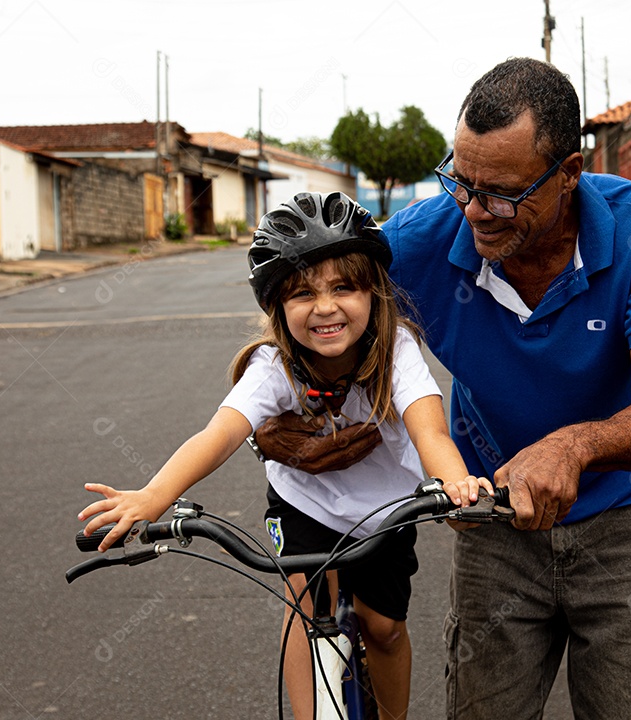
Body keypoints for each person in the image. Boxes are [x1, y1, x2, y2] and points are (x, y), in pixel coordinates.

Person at [253, 58, 631, 719]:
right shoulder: (418, 241)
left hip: (629, 521)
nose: (473, 211)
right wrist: (273, 423)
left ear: (569, 176)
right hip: (491, 517)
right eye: (459, 182)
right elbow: (308, 317)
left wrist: (572, 448)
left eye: (501, 193)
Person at [77, 191, 492, 720]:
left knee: (384, 628)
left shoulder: (397, 351)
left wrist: (456, 485)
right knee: (307, 607)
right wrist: (154, 496)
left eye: (344, 286)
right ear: (277, 307)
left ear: (375, 292)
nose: (324, 307)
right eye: (302, 293)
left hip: (387, 509)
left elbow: (430, 432)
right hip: (306, 503)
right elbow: (219, 434)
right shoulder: (274, 366)